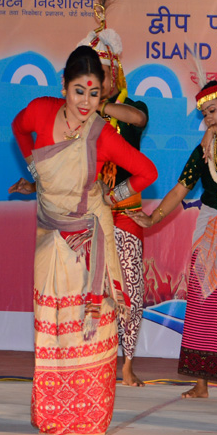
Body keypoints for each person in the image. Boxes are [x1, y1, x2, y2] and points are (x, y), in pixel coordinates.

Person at [9, 45, 157, 435]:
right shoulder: (41, 110)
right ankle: (53, 413)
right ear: (64, 86)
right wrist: (32, 165)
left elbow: (146, 171)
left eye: (94, 94)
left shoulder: (101, 134)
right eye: (79, 91)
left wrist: (115, 193)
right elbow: (18, 128)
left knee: (86, 327)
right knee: (52, 325)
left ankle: (88, 415)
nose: (86, 102)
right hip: (49, 234)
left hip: (89, 240)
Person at [130, 81, 217, 400]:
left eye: (213, 111)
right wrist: (153, 217)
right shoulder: (202, 151)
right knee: (201, 304)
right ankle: (201, 383)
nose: (209, 119)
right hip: (208, 229)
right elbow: (180, 190)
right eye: (205, 115)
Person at [79, 26, 150, 387]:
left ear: (116, 74)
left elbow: (137, 122)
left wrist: (100, 105)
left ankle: (127, 363)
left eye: (102, 76)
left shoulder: (132, 107)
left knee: (129, 288)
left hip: (124, 210)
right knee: (89, 287)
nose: (97, 83)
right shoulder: (81, 114)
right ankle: (91, 357)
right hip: (88, 212)